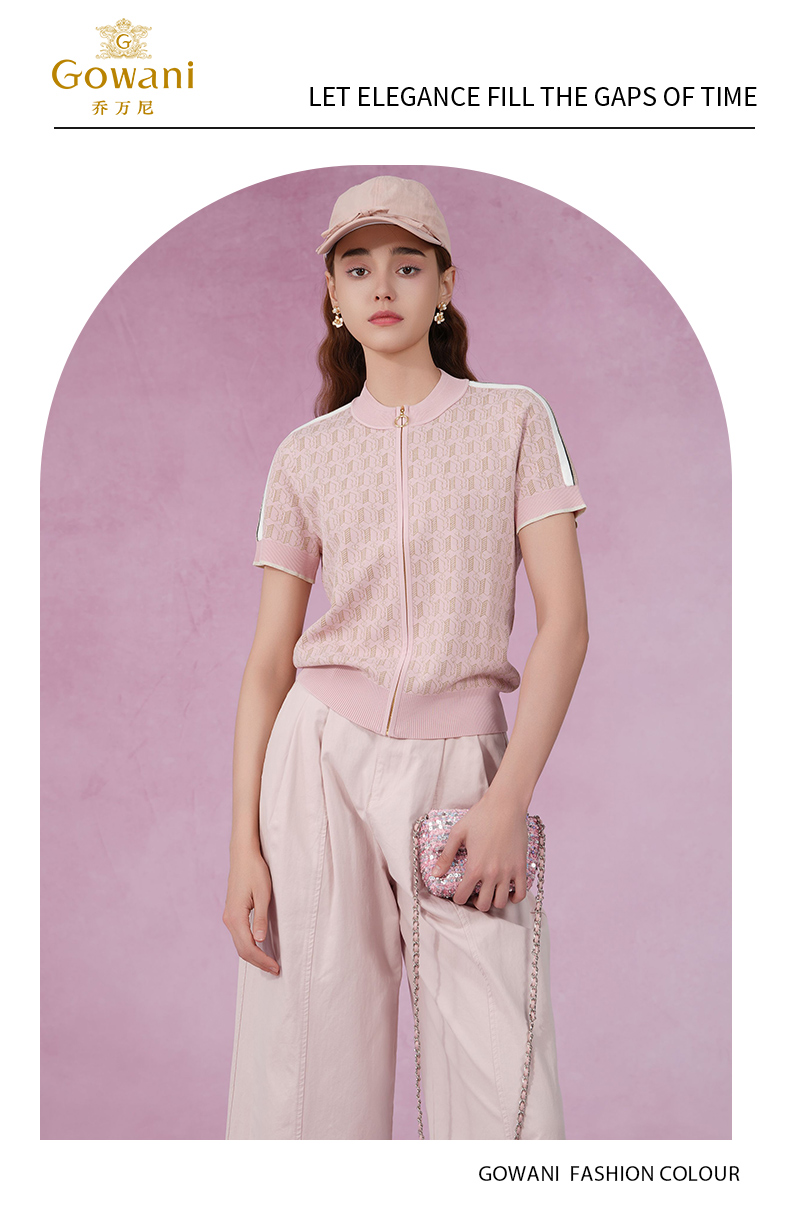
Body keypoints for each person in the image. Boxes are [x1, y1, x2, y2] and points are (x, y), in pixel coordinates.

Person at [223, 175, 589, 1140]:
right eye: (357, 267)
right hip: (317, 763)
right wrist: (242, 847)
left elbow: (565, 625)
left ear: (444, 286)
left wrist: (507, 797)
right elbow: (267, 665)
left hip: (464, 774)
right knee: (304, 1077)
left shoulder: (515, 420)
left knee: (503, 1084)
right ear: (334, 298)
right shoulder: (304, 455)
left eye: (407, 264)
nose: (382, 284)